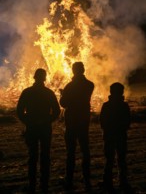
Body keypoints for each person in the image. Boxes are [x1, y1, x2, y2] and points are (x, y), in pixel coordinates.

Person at [17, 68, 60, 193]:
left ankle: (32, 185)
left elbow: (20, 111)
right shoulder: (49, 93)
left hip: (32, 128)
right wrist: (47, 121)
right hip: (45, 128)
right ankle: (44, 185)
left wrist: (28, 122)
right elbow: (56, 111)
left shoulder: (27, 92)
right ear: (45, 78)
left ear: (34, 77)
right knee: (45, 156)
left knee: (32, 156)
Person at [60, 62, 94, 191]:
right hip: (84, 121)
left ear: (74, 71)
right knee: (85, 150)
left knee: (71, 152)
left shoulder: (70, 86)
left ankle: (69, 180)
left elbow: (64, 103)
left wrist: (63, 95)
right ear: (83, 70)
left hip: (72, 121)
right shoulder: (90, 84)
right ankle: (87, 179)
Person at [99, 82, 131, 193]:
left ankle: (107, 181)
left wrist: (107, 130)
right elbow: (128, 121)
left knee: (109, 159)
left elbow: (102, 121)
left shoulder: (106, 105)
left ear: (111, 92)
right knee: (121, 159)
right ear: (121, 92)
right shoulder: (124, 106)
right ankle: (123, 181)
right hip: (121, 135)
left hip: (109, 136)